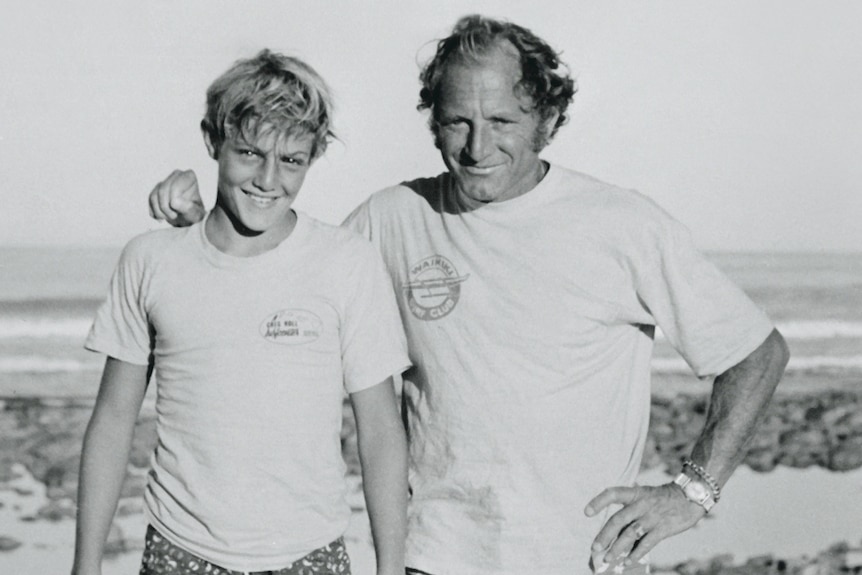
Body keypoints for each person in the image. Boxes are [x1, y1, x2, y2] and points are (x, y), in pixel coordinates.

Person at [147, 16, 790, 575]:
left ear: (549, 119)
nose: (478, 147)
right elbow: (278, 292)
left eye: (502, 120)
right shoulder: (390, 219)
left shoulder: (623, 225)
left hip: (585, 558)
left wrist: (693, 491)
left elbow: (755, 354)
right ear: (433, 122)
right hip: (432, 557)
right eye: (458, 121)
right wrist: (203, 222)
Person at [74, 49, 411, 575]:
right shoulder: (152, 259)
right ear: (213, 140)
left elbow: (381, 432)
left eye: (292, 160)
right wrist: (85, 566)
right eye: (250, 153)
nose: (267, 180)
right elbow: (114, 420)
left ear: (313, 157)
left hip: (310, 556)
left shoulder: (346, 262)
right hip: (179, 552)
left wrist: (390, 569)